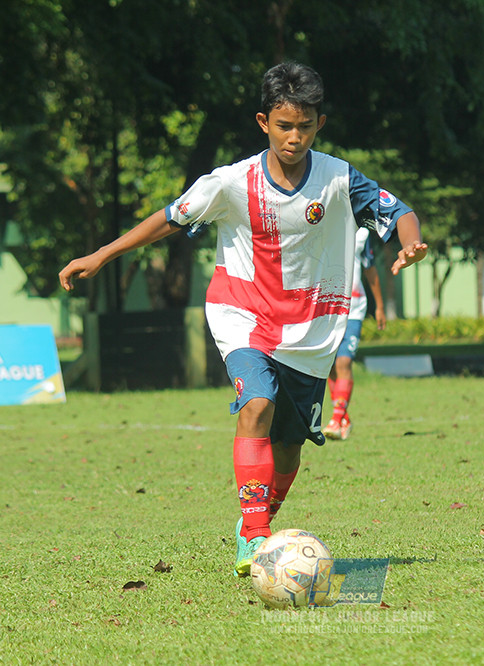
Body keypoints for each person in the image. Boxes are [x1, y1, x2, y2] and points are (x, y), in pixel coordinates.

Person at [58, 62, 427, 577]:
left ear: (320, 124)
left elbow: (398, 211)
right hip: (244, 315)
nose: (294, 137)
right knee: (256, 403)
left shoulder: (339, 178)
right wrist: (101, 255)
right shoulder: (231, 182)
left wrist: (410, 245)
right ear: (263, 122)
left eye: (304, 126)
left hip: (312, 331)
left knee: (290, 450)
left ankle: (259, 523)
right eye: (284, 126)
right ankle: (254, 536)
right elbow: (169, 217)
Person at [322, 226, 386, 441]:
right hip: (324, 308)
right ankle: (344, 419)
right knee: (329, 365)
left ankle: (336, 418)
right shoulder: (320, 221)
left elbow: (370, 268)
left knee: (343, 363)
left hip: (353, 308)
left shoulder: (363, 233)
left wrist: (379, 306)